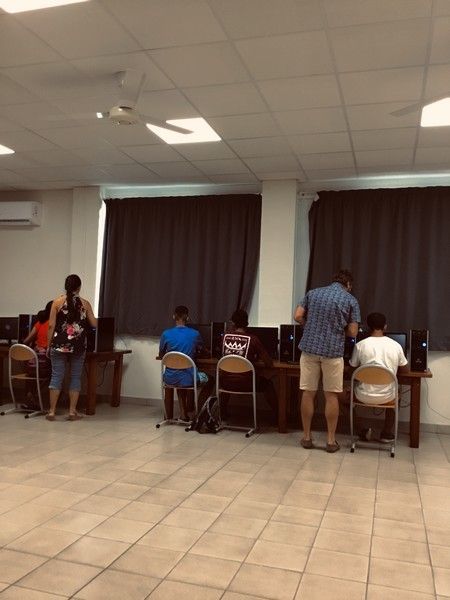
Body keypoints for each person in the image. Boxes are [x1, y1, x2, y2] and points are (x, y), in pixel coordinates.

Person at [294, 269, 361, 452]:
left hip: (309, 348)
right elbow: (353, 332)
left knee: (308, 393)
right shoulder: (351, 300)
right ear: (348, 284)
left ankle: (306, 437)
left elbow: (297, 315)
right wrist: (339, 329)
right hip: (333, 351)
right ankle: (331, 441)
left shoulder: (313, 293)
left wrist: (309, 325)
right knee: (331, 395)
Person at [349, 312, 408, 442]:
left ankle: (361, 430)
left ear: (368, 327)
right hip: (388, 396)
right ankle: (386, 433)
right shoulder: (396, 345)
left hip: (362, 395)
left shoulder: (360, 345)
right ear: (385, 326)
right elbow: (405, 369)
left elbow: (353, 369)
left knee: (339, 394)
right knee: (397, 393)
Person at [46, 274, 97, 421]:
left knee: (56, 376)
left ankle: (51, 412)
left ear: (66, 286)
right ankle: (72, 412)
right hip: (78, 346)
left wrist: (48, 345)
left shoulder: (57, 302)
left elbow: (51, 325)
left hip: (58, 344)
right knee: (75, 377)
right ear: (79, 287)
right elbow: (94, 324)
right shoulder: (85, 304)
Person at [220, 308, 278, 421]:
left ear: (233, 323)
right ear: (247, 323)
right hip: (247, 384)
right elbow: (269, 363)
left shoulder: (224, 337)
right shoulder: (253, 339)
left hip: (225, 383)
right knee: (268, 384)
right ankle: (279, 417)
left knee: (228, 376)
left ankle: (222, 414)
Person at [159, 305, 203, 423]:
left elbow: (161, 354)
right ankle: (199, 413)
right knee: (210, 380)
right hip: (189, 378)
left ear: (174, 316)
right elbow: (201, 349)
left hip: (170, 378)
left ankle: (180, 415)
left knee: (179, 377)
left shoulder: (166, 334)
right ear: (187, 318)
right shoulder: (195, 334)